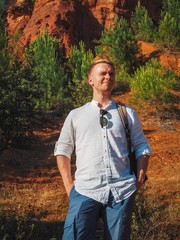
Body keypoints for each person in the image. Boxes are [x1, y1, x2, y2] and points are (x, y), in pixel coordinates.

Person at [54, 59, 151, 240]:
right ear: (90, 80)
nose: (108, 77)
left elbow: (142, 146)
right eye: (103, 73)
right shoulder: (76, 115)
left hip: (121, 192)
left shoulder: (127, 113)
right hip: (84, 190)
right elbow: (62, 150)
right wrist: (69, 186)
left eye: (111, 73)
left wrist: (139, 178)